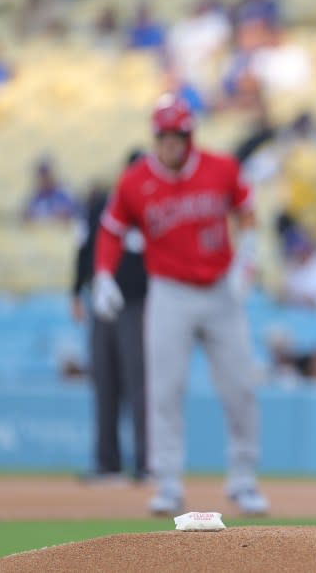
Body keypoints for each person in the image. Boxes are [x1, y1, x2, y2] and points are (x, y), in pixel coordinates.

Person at [91, 95, 268, 516]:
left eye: (178, 136)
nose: (170, 144)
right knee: (164, 389)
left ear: (190, 136)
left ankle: (243, 478)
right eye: (164, 136)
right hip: (169, 291)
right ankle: (167, 481)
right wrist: (102, 274)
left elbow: (247, 210)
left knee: (240, 386)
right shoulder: (135, 181)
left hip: (220, 289)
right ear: (155, 137)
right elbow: (110, 230)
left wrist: (249, 255)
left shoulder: (220, 168)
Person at [72, 150, 148, 483]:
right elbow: (83, 250)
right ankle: (108, 463)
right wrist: (75, 291)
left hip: (138, 305)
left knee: (139, 384)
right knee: (104, 382)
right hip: (102, 305)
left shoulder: (153, 208)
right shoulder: (102, 205)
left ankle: (148, 464)